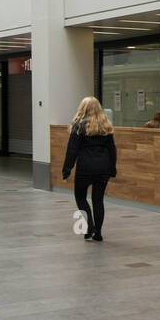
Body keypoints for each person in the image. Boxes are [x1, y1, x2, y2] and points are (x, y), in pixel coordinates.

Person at [61, 96, 117, 242]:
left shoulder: (79, 126)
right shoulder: (106, 126)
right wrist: (112, 168)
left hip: (85, 168)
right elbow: (112, 150)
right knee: (98, 200)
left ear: (83, 109)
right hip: (103, 168)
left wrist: (67, 169)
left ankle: (88, 227)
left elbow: (72, 150)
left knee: (80, 197)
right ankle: (98, 233)